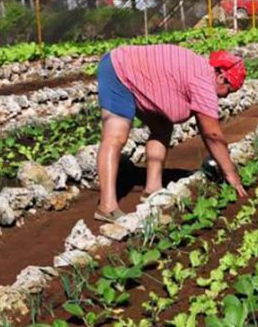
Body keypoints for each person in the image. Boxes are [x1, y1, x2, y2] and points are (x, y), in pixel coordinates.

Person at [95, 44, 248, 222]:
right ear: (221, 77)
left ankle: (152, 190)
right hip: (118, 70)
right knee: (116, 135)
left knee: (162, 127)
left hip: (139, 73)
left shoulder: (202, 73)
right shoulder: (203, 82)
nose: (227, 96)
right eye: (230, 90)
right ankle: (106, 207)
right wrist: (230, 173)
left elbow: (204, 128)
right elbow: (212, 135)